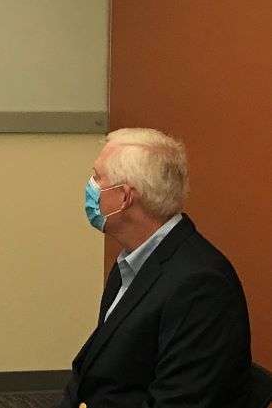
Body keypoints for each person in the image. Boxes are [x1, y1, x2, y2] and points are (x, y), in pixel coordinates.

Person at [60, 128, 251, 408]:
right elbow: (93, 373)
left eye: (98, 177)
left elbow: (178, 402)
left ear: (124, 198)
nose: (90, 186)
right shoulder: (133, 259)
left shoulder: (200, 285)